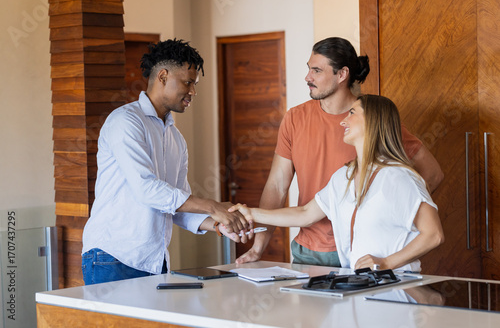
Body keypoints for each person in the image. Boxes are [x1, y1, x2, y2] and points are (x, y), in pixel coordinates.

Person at [236, 37, 444, 267]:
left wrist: (385, 216)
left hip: (360, 250)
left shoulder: (374, 121)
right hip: (308, 250)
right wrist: (257, 244)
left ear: (342, 74)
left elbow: (431, 178)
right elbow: (284, 194)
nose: (308, 77)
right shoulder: (299, 123)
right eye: (309, 69)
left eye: (316, 70)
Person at [81, 39, 249, 285]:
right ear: (162, 76)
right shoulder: (125, 122)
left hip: (153, 261)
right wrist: (213, 206)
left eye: (195, 84)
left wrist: (218, 225)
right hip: (112, 258)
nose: (193, 91)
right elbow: (147, 190)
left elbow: (177, 205)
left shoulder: (176, 139)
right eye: (188, 82)